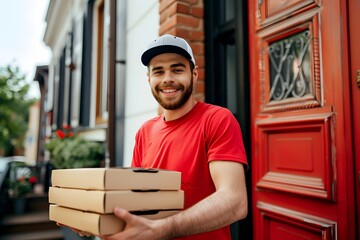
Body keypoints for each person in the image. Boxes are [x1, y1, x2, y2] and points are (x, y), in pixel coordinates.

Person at [78, 34, 248, 240]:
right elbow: (136, 200)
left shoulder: (217, 120)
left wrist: (161, 230)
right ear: (149, 78)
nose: (168, 78)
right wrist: (98, 220)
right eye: (158, 71)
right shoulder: (145, 132)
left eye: (177, 69)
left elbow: (235, 201)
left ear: (194, 74)